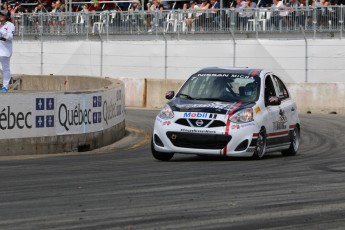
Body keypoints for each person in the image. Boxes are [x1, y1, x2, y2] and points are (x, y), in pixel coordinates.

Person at [0, 9, 15, 93]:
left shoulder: (10, 25)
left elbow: (10, 37)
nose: (1, 16)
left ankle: (5, 86)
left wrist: (1, 30)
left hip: (5, 51)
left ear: (7, 16)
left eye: (2, 15)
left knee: (6, 69)